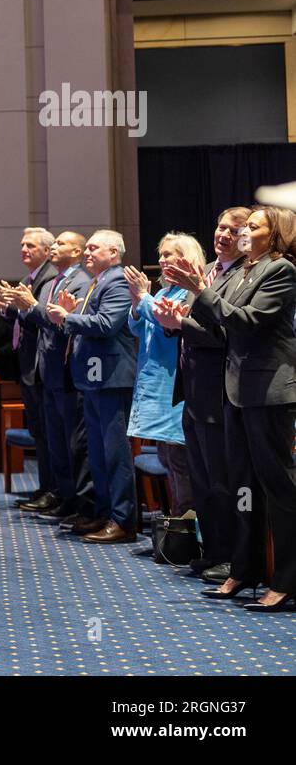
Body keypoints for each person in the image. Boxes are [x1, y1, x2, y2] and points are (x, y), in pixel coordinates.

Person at [164, 205, 296, 611]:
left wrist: (198, 290)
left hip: (269, 391)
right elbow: (219, 322)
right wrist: (185, 306)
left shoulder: (281, 270)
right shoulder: (241, 271)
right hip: (236, 391)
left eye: (252, 227)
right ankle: (245, 568)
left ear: (274, 236)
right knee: (243, 486)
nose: (242, 232)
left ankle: (287, 579)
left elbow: (248, 321)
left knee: (278, 490)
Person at [151, 207, 249, 583]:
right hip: (192, 389)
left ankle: (233, 557)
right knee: (202, 478)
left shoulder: (242, 275)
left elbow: (226, 336)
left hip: (220, 389)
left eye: (233, 229)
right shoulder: (208, 272)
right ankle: (214, 551)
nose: (222, 234)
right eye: (219, 227)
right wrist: (173, 322)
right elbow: (197, 325)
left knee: (223, 480)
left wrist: (181, 325)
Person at [47, 230, 138, 544]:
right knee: (97, 453)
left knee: (114, 453)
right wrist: (71, 314)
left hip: (112, 377)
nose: (86, 252)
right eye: (85, 248)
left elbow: (107, 324)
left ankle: (124, 520)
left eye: (93, 248)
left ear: (113, 252)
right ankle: (103, 512)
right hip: (95, 378)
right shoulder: (100, 280)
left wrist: (69, 317)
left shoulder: (117, 280)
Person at [9, 231, 92, 522]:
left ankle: (76, 502)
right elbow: (43, 317)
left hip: (66, 373)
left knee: (71, 443)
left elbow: (60, 321)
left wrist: (30, 306)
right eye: (54, 243)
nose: (55, 247)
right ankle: (63, 496)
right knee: (55, 441)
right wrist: (27, 306)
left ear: (78, 252)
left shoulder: (81, 281)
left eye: (61, 243)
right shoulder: (54, 282)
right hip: (46, 371)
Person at [124, 233, 205, 518]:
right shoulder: (162, 292)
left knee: (180, 460)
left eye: (169, 254)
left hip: (174, 387)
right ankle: (176, 521)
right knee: (166, 458)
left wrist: (143, 298)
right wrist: (137, 302)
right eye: (161, 254)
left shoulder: (189, 292)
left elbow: (166, 323)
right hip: (154, 384)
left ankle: (188, 523)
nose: (161, 259)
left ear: (187, 258)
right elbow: (137, 328)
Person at [0, 229, 59, 506]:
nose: (24, 249)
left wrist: (17, 305)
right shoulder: (27, 280)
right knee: (39, 432)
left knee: (48, 432)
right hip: (27, 364)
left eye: (30, 245)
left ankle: (53, 490)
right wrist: (6, 306)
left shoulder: (50, 278)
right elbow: (20, 319)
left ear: (46, 250)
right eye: (22, 245)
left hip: (42, 364)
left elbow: (40, 318)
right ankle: (45, 487)